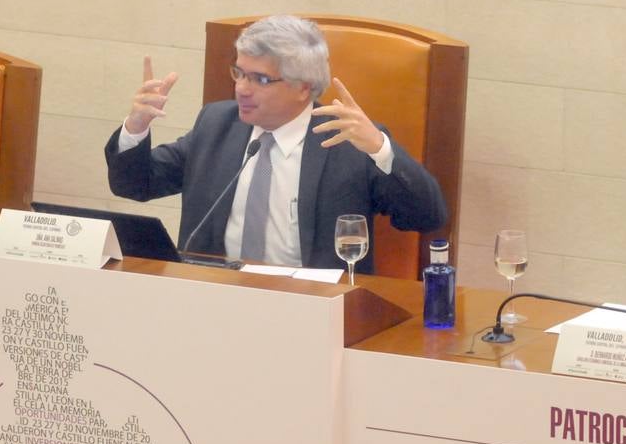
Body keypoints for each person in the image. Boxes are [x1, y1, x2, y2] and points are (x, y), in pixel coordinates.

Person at [105, 15, 447, 272]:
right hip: (214, 300)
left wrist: (379, 148)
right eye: (239, 73)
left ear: (304, 87)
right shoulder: (216, 125)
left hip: (312, 309)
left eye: (261, 79)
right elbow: (136, 184)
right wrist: (136, 127)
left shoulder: (347, 142)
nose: (242, 88)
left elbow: (426, 216)